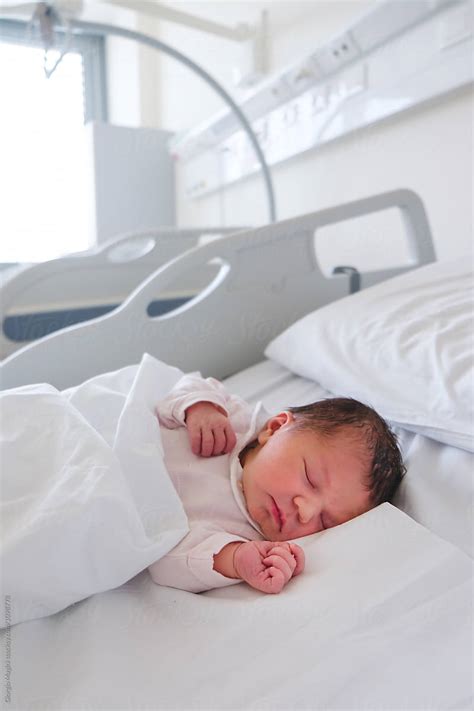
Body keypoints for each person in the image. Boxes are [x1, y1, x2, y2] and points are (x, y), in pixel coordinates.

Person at [148, 373, 405, 595]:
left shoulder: (239, 535)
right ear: (275, 427)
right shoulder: (236, 420)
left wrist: (234, 559)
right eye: (310, 479)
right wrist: (199, 406)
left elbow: (167, 559)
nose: (305, 512)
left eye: (325, 521)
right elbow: (180, 385)